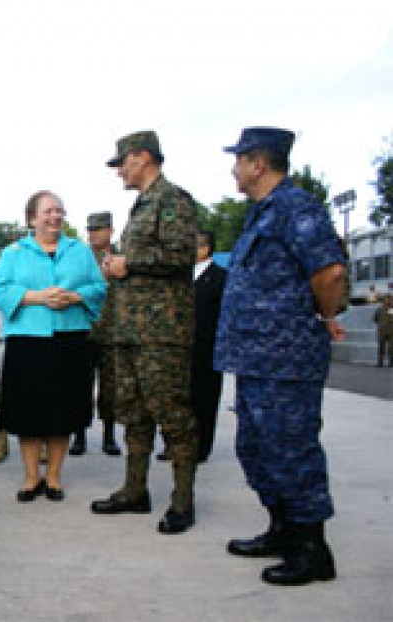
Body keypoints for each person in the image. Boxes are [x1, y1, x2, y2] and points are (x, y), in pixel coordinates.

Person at [216, 127, 346, 586]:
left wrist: (319, 314)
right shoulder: (261, 214)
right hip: (257, 359)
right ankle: (283, 529)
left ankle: (312, 550)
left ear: (258, 164)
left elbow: (329, 273)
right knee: (256, 448)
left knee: (292, 451)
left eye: (239, 160)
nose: (233, 168)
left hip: (286, 359)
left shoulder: (296, 208)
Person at [90, 130, 199, 535]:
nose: (119, 172)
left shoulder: (172, 201)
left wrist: (127, 261)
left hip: (162, 332)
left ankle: (182, 502)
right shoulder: (141, 206)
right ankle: (135, 491)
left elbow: (181, 254)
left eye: (122, 163)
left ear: (142, 158)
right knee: (133, 412)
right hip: (130, 330)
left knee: (172, 413)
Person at [0, 190, 106, 502]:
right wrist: (37, 297)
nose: (55, 216)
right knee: (28, 411)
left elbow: (99, 288)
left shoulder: (80, 251)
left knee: (63, 410)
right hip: (27, 341)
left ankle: (54, 476)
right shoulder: (13, 253)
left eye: (59, 210)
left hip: (70, 339)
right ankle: (31, 477)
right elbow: (0, 292)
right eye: (48, 211)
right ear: (32, 218)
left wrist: (75, 297)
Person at [69, 211, 121, 457]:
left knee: (110, 389)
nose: (93, 234)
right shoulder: (79, 258)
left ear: (110, 230)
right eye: (90, 230)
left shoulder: (121, 257)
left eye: (98, 229)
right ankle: (79, 436)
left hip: (113, 334)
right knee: (80, 386)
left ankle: (109, 436)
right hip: (84, 331)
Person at [191, 231, 227, 462]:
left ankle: (201, 447)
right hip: (182, 349)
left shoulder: (221, 277)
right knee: (181, 399)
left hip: (208, 348)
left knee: (205, 399)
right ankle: (178, 445)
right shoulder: (182, 277)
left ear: (205, 249)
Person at [373, 295, 393, 366]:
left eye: (390, 299)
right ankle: (380, 362)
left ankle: (391, 362)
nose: (388, 301)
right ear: (384, 300)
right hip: (382, 331)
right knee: (381, 347)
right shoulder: (379, 309)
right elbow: (374, 319)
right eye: (387, 299)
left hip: (391, 332)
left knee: (391, 348)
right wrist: (381, 325)